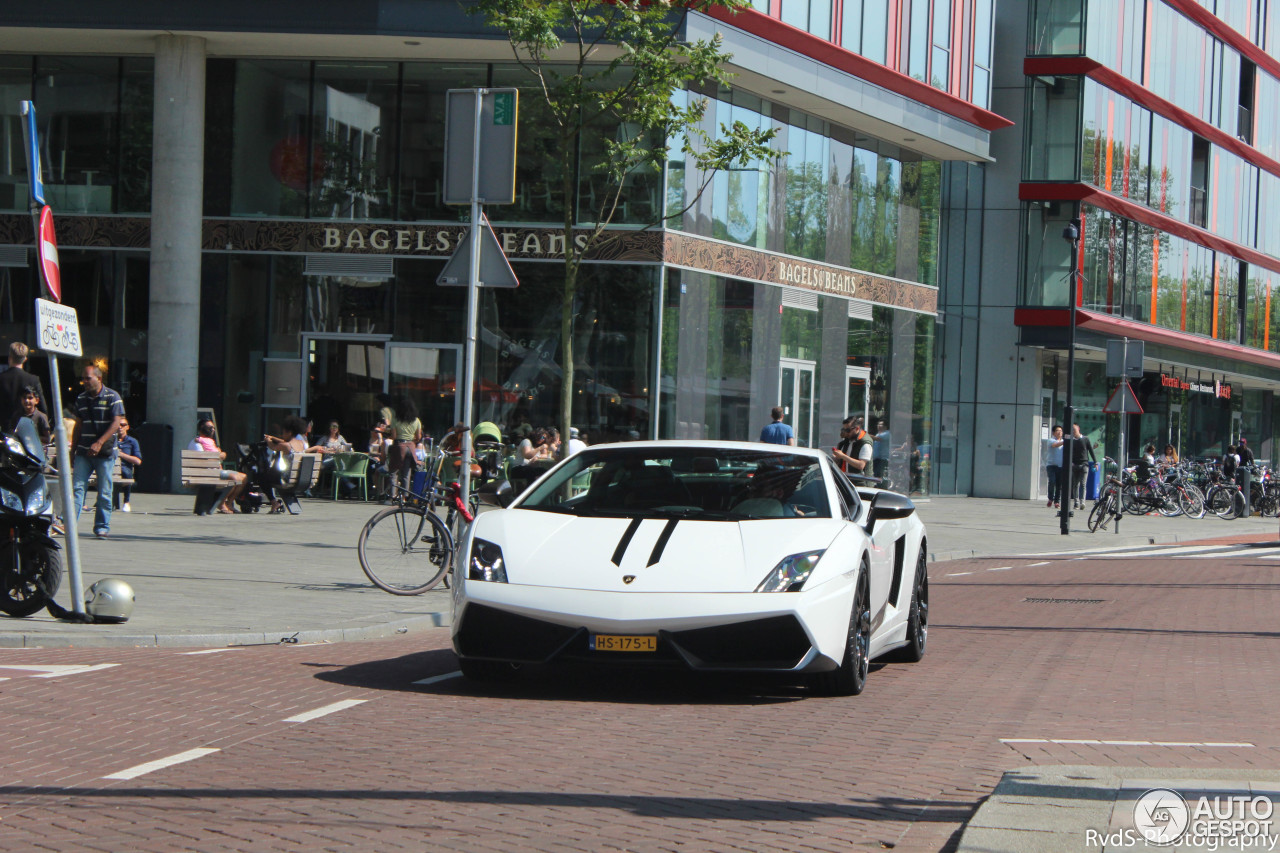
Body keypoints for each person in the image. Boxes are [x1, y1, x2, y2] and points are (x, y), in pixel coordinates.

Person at [71, 363, 124, 538]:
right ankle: (68, 524)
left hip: (105, 453)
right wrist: (73, 450)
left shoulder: (112, 396)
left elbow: (116, 423)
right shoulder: (81, 399)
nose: (84, 382)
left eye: (88, 378)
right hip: (84, 452)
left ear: (99, 378)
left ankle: (102, 526)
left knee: (104, 490)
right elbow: (78, 425)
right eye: (83, 379)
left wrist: (99, 443)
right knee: (77, 488)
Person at [193, 419, 246, 513]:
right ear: (201, 428)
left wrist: (220, 455)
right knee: (234, 478)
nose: (213, 430)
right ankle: (221, 503)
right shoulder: (197, 443)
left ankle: (229, 503)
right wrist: (219, 456)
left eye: (213, 428)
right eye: (210, 427)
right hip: (208, 472)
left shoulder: (210, 441)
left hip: (217, 470)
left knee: (244, 477)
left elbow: (221, 454)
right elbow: (204, 460)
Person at [0, 342, 48, 428]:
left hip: (4, 429)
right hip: (27, 429)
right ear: (25, 359)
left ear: (9, 358)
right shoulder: (33, 380)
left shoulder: (1, 378)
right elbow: (43, 408)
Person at [385, 396, 422, 498]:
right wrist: (411, 441)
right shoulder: (416, 420)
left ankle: (393, 496)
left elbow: (394, 436)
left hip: (399, 446)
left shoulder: (396, 420)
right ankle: (405, 497)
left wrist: (386, 433)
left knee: (394, 472)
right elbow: (418, 437)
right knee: (406, 473)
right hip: (410, 446)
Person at [113, 417, 141, 512]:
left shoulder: (132, 442)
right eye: (118, 425)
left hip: (125, 468)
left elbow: (138, 461)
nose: (120, 427)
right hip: (111, 467)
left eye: (123, 425)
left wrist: (121, 455)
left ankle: (126, 501)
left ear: (127, 427)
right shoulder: (111, 440)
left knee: (125, 472)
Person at [1068, 423, 1096, 510]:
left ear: (1078, 429)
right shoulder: (1071, 440)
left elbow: (1091, 450)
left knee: (1083, 484)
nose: (1073, 431)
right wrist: (1070, 462)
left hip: (1084, 464)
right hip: (1074, 464)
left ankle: (1082, 502)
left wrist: (1095, 462)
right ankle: (1076, 502)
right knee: (1075, 484)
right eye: (1072, 430)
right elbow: (1068, 453)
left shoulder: (1085, 439)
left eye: (1074, 429)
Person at [1044, 425, 1065, 509]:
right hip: (1051, 465)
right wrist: (1066, 441)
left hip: (1061, 466)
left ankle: (1057, 501)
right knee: (1052, 481)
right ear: (1053, 432)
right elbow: (1055, 445)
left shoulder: (1064, 441)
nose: (1059, 432)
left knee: (1059, 484)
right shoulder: (1051, 440)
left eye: (1061, 430)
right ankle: (1050, 499)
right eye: (1057, 430)